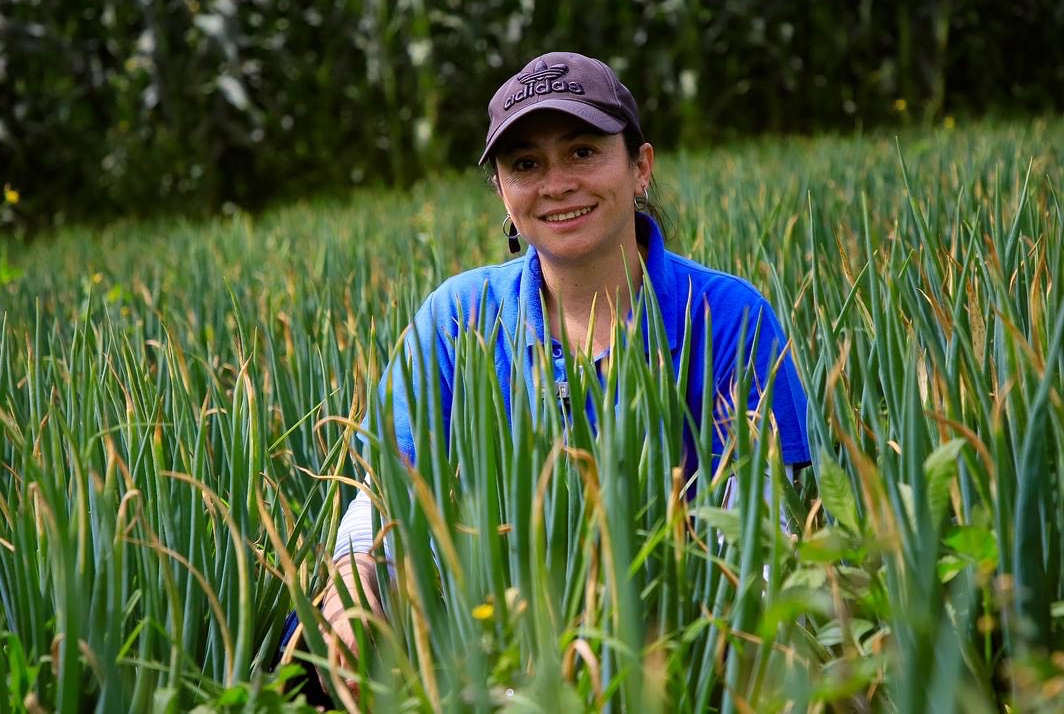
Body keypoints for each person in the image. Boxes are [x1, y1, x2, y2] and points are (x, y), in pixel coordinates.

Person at [278, 51, 810, 693]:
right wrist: (354, 582)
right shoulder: (459, 315)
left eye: (583, 152)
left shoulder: (725, 315)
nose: (556, 183)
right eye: (526, 164)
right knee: (308, 651)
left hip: (672, 638)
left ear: (640, 166)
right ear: (503, 192)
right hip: (487, 641)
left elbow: (756, 519)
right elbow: (385, 491)